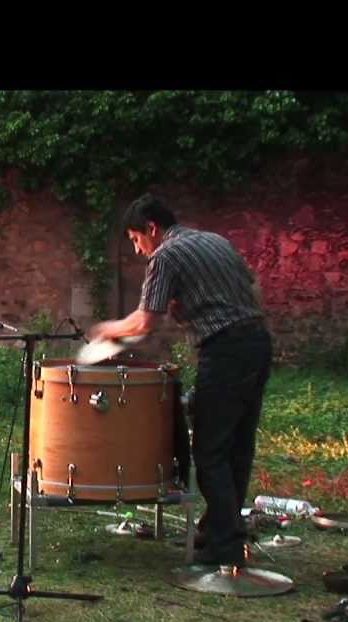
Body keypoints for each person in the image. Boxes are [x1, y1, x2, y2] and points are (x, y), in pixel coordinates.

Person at [89, 193, 271, 566]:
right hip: (258, 342)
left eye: (137, 240)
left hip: (224, 350)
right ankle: (219, 529)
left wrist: (105, 331)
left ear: (152, 229)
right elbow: (250, 289)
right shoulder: (215, 241)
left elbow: (144, 321)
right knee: (238, 446)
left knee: (210, 450)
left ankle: (225, 546)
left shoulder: (166, 255)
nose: (139, 251)